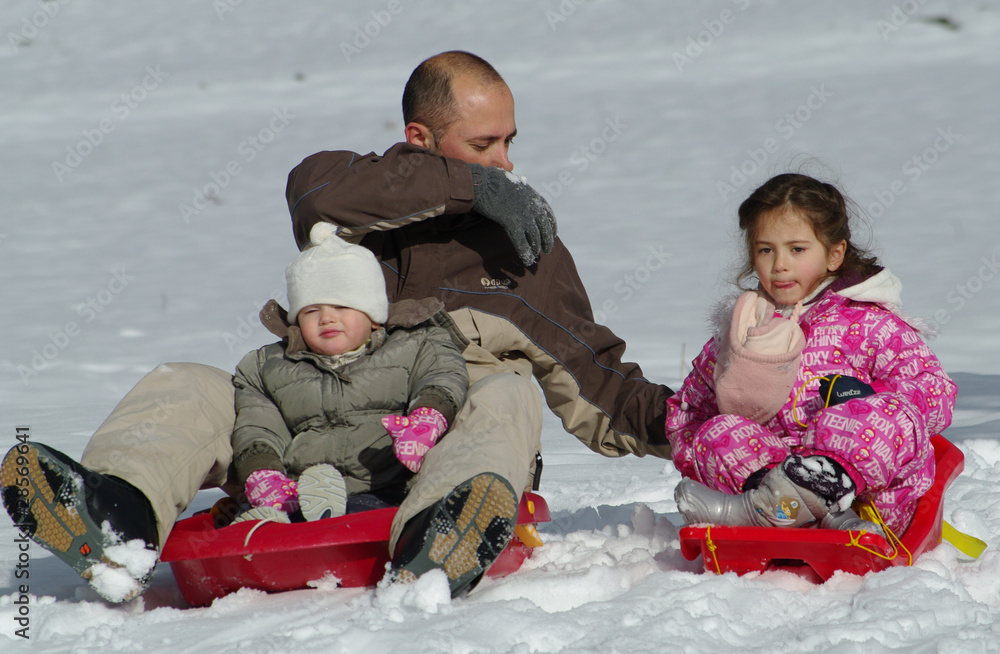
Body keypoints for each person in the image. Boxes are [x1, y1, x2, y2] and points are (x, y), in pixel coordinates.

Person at [1, 50, 672, 603]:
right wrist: (468, 189)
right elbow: (314, 190)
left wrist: (709, 426)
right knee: (186, 382)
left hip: (433, 450)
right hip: (299, 442)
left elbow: (604, 385)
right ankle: (116, 515)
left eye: (509, 143)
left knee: (507, 393)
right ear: (422, 142)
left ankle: (445, 534)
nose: (505, 164)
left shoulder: (523, 252)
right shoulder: (358, 207)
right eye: (483, 145)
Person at [668, 173, 956, 537]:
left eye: (797, 249)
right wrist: (707, 449)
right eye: (765, 249)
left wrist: (870, 405)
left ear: (834, 254)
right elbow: (688, 412)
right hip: (768, 484)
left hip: (867, 502)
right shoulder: (742, 332)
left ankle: (820, 507)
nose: (779, 265)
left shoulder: (867, 324)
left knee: (881, 414)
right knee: (717, 431)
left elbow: (934, 388)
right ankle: (779, 509)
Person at [230, 222, 469, 525]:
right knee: (283, 515)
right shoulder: (270, 366)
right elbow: (258, 424)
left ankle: (314, 526)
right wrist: (263, 470)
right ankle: (271, 525)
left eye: (342, 306)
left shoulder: (416, 345)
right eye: (311, 310)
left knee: (365, 516)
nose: (327, 318)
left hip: (384, 488)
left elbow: (443, 374)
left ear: (373, 316)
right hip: (300, 489)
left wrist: (427, 416)